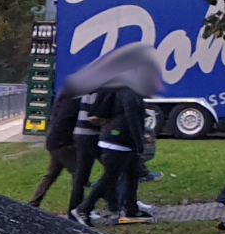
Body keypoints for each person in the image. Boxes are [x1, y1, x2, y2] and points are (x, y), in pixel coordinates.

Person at [72, 84, 153, 225]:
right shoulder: (128, 92)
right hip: (117, 141)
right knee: (109, 177)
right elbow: (131, 117)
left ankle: (131, 210)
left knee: (132, 174)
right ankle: (83, 209)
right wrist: (139, 142)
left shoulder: (130, 91)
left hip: (124, 141)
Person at [30, 89, 82, 208]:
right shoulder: (74, 98)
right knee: (79, 175)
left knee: (51, 174)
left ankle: (33, 203)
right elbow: (68, 119)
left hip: (54, 140)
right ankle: (79, 207)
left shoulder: (64, 94)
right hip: (63, 142)